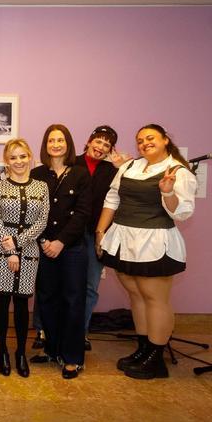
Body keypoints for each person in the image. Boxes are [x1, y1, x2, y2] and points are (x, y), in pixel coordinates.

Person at [97, 124, 197, 380]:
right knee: (136, 296)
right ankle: (143, 348)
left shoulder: (178, 171)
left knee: (155, 298)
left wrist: (167, 193)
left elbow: (182, 212)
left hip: (154, 242)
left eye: (150, 138)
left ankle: (156, 357)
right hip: (123, 239)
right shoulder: (130, 167)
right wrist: (101, 232)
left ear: (165, 140)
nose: (144, 143)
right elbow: (112, 199)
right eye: (140, 140)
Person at [30, 124, 92, 379]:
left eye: (60, 140)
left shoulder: (80, 174)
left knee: (73, 302)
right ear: (45, 144)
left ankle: (72, 357)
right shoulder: (37, 174)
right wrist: (45, 240)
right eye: (51, 140)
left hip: (72, 249)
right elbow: (33, 212)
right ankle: (51, 349)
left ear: (68, 144)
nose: (56, 144)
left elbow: (82, 214)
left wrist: (61, 242)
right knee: (46, 299)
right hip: (43, 247)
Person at [0, 139, 49, 378]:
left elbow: (42, 221)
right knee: (2, 302)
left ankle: (20, 352)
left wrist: (18, 244)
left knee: (22, 303)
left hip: (29, 250)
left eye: (23, 156)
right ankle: (2, 350)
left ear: (30, 157)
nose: (19, 161)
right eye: (13, 157)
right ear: (6, 161)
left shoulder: (41, 187)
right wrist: (10, 249)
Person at [76, 125, 125, 350]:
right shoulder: (71, 163)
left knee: (90, 287)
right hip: (70, 235)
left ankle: (81, 332)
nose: (101, 147)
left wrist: (121, 169)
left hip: (97, 235)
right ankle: (45, 331)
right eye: (98, 141)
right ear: (89, 141)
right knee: (58, 285)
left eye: (107, 145)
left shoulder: (112, 170)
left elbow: (118, 200)